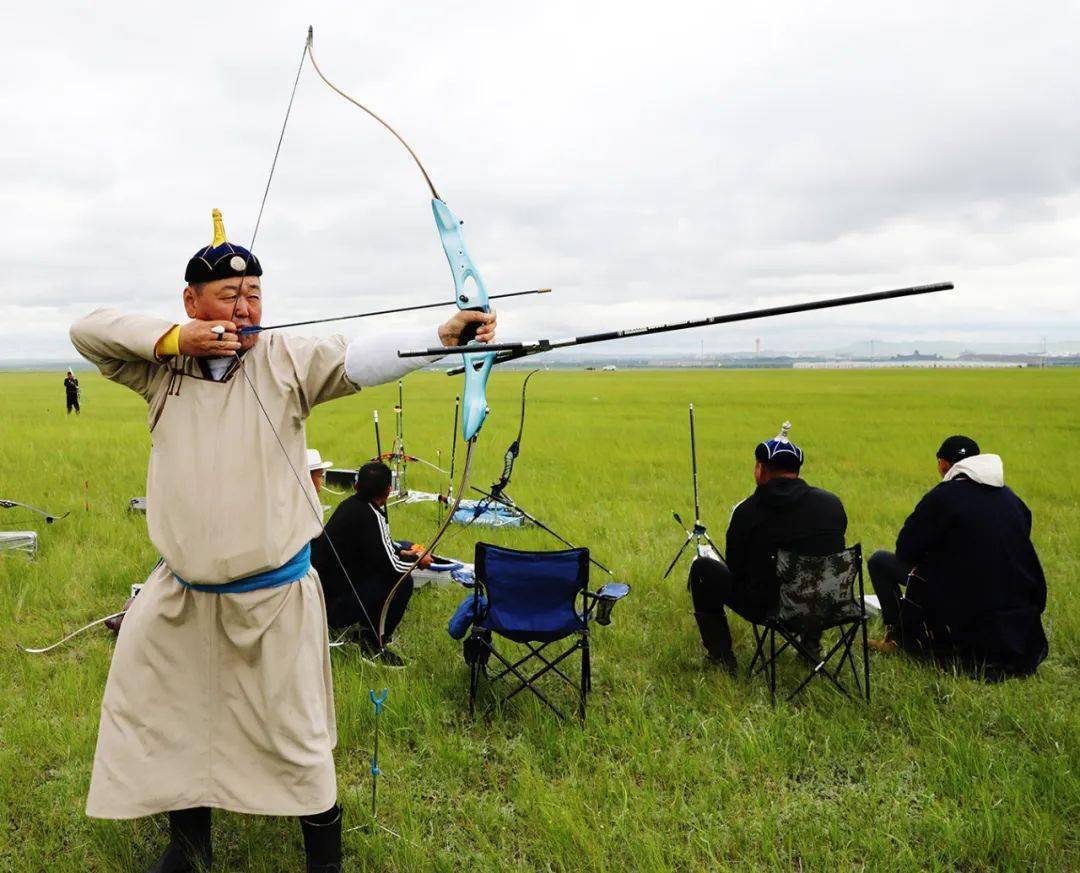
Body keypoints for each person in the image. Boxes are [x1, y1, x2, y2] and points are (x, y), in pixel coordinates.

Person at [70, 208, 496, 873]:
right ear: (191, 301)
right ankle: (189, 845)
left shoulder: (286, 360)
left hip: (272, 600)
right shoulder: (161, 370)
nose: (245, 308)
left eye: (254, 294)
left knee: (297, 736)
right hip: (184, 597)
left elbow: (356, 356)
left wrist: (441, 336)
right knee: (176, 721)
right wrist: (177, 340)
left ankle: (323, 860)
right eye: (229, 295)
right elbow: (88, 331)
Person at [867, 435, 1048, 680]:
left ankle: (899, 640)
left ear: (943, 465)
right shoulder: (1012, 498)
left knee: (880, 561)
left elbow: (906, 550)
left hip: (964, 603)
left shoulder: (943, 496)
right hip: (1017, 609)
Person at [688, 423, 847, 673]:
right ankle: (810, 646)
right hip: (827, 606)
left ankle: (721, 658)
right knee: (813, 572)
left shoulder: (747, 512)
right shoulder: (831, 504)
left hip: (771, 609)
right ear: (797, 471)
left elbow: (736, 569)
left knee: (702, 569)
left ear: (760, 470)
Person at [312, 461, 432, 666]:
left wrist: (404, 552)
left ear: (356, 486)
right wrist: (419, 561)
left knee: (402, 546)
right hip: (334, 606)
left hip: (320, 593)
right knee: (403, 582)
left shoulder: (349, 505)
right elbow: (393, 567)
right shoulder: (371, 515)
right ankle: (373, 644)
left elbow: (378, 546)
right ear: (388, 491)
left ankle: (367, 632)